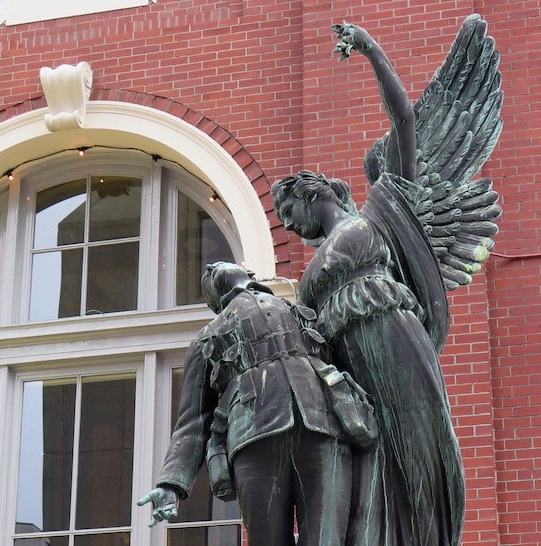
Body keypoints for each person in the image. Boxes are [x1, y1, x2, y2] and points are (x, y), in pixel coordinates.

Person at [272, 23, 465, 546]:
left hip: (397, 341)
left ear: (314, 193)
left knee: (422, 449)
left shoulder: (379, 212)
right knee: (372, 481)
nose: (291, 227)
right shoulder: (310, 275)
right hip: (353, 373)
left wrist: (370, 49)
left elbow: (405, 120)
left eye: (290, 212)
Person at [138, 261, 377, 546]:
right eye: (207, 275)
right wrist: (171, 483)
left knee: (328, 539)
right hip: (253, 439)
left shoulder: (301, 312)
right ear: (214, 302)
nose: (210, 266)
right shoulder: (206, 339)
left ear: (249, 273)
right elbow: (192, 422)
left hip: (323, 424)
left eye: (216, 267)